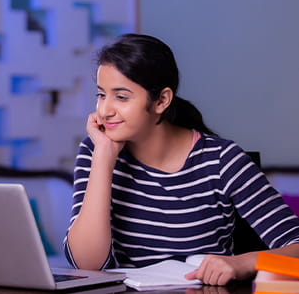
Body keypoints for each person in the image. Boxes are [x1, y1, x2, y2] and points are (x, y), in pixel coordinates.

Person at [64, 33, 299, 286]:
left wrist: (241, 263)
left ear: (161, 100)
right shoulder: (96, 150)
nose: (104, 110)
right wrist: (103, 157)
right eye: (101, 94)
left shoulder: (222, 160)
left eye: (121, 97)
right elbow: (87, 264)